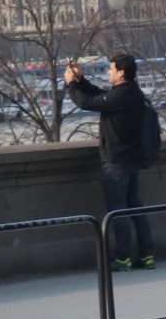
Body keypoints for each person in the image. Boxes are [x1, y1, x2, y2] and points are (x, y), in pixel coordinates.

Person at [63, 53, 158, 269]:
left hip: (116, 161)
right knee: (135, 208)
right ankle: (146, 254)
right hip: (133, 159)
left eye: (111, 69)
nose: (108, 72)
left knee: (118, 211)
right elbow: (100, 97)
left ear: (121, 73)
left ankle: (123, 256)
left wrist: (71, 85)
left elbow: (87, 102)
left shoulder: (122, 96)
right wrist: (81, 80)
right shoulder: (132, 92)